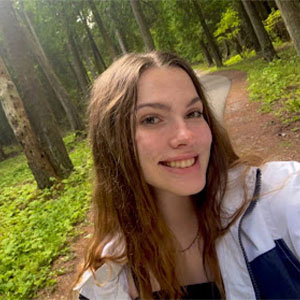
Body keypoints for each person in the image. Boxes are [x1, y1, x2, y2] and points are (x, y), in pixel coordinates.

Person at [74, 51, 300, 300]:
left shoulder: (277, 197)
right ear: (112, 141)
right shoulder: (105, 284)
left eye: (193, 113)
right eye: (151, 119)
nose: (186, 135)